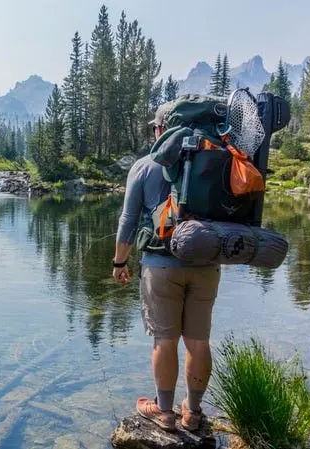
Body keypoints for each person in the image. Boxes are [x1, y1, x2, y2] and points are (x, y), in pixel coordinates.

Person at [111, 103, 221, 432]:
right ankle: (193, 412)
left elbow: (128, 221)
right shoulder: (214, 163)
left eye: (155, 128)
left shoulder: (144, 166)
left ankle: (164, 412)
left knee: (164, 340)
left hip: (161, 266)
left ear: (161, 130)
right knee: (198, 341)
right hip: (207, 263)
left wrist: (120, 261)